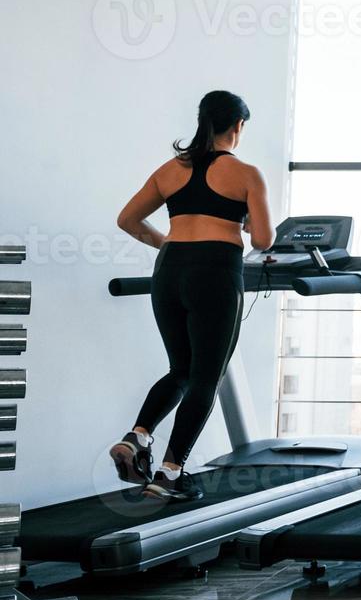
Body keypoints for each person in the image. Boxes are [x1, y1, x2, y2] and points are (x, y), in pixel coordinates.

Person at [110, 90, 274, 501]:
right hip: (216, 271)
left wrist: (170, 244)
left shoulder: (170, 169)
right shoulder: (247, 174)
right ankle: (169, 473)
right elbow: (263, 238)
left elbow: (127, 219)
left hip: (169, 270)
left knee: (180, 368)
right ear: (237, 126)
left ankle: (137, 437)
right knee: (205, 376)